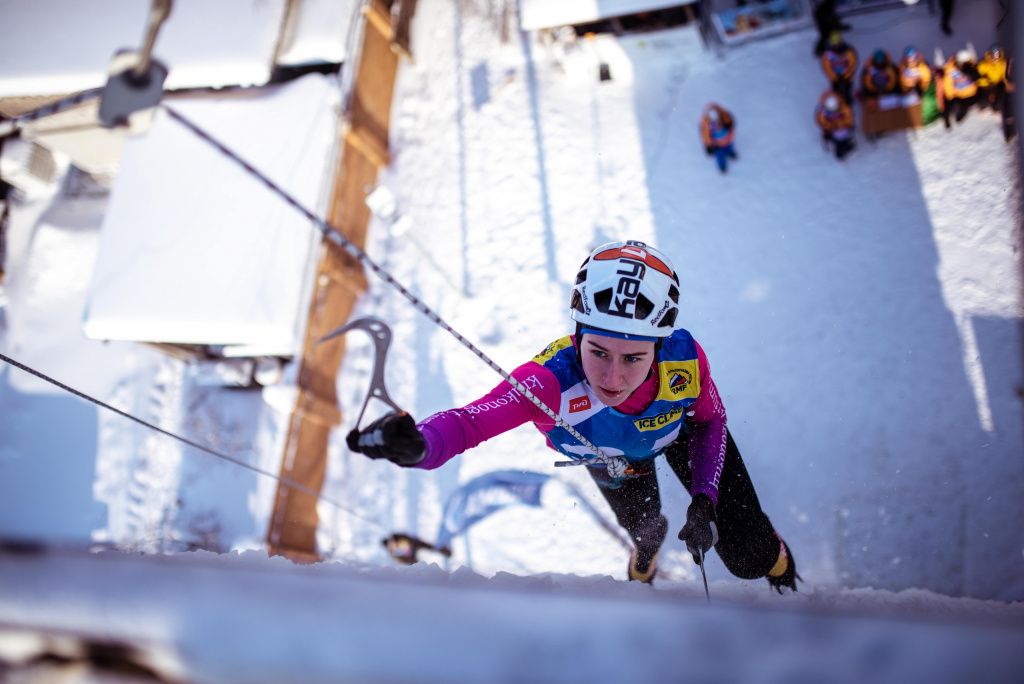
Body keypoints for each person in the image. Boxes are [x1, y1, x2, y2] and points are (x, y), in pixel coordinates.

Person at [347, 240, 800, 593]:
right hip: (615, 461)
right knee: (645, 529)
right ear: (578, 333)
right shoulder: (550, 382)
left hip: (680, 434)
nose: (613, 376)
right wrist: (419, 445)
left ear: (658, 347)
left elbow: (709, 421)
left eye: (634, 358)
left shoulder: (683, 359)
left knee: (746, 556)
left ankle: (779, 569)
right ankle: (644, 555)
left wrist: (703, 498)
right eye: (598, 351)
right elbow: (469, 423)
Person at [940, 49, 979, 129]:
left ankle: (960, 117)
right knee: (947, 105)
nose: (962, 64)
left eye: (965, 62)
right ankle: (946, 120)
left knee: (964, 106)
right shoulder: (951, 68)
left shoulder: (971, 67)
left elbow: (975, 79)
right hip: (955, 92)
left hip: (967, 93)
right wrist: (950, 94)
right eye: (960, 62)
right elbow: (947, 82)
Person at [815, 91, 856, 160]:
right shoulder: (823, 112)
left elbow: (849, 117)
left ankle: (849, 144)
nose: (834, 112)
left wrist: (844, 125)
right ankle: (838, 147)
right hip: (832, 131)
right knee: (839, 153)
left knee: (847, 139)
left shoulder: (844, 108)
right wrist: (831, 127)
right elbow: (822, 122)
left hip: (844, 128)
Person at [820, 31, 859, 105]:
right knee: (836, 91)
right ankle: (838, 104)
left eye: (838, 43)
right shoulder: (828, 53)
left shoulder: (848, 50)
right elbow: (826, 66)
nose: (836, 45)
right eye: (834, 43)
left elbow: (853, 62)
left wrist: (847, 74)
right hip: (835, 77)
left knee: (847, 90)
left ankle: (848, 103)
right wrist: (833, 76)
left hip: (847, 76)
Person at [699, 103, 738, 174]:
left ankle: (730, 153)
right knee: (720, 156)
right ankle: (722, 165)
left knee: (730, 147)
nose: (716, 123)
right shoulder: (708, 126)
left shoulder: (724, 118)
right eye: (713, 122)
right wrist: (708, 145)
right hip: (717, 145)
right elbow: (705, 135)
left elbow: (729, 121)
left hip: (728, 140)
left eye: (718, 120)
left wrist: (730, 129)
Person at [977, 44, 1008, 113]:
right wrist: (986, 81)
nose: (995, 58)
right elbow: (979, 76)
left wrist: (1006, 84)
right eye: (993, 55)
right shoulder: (983, 63)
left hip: (997, 84)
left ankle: (996, 109)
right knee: (983, 100)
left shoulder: (1002, 63)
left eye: (997, 55)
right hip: (986, 85)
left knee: (1000, 98)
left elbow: (1004, 76)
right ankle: (983, 107)